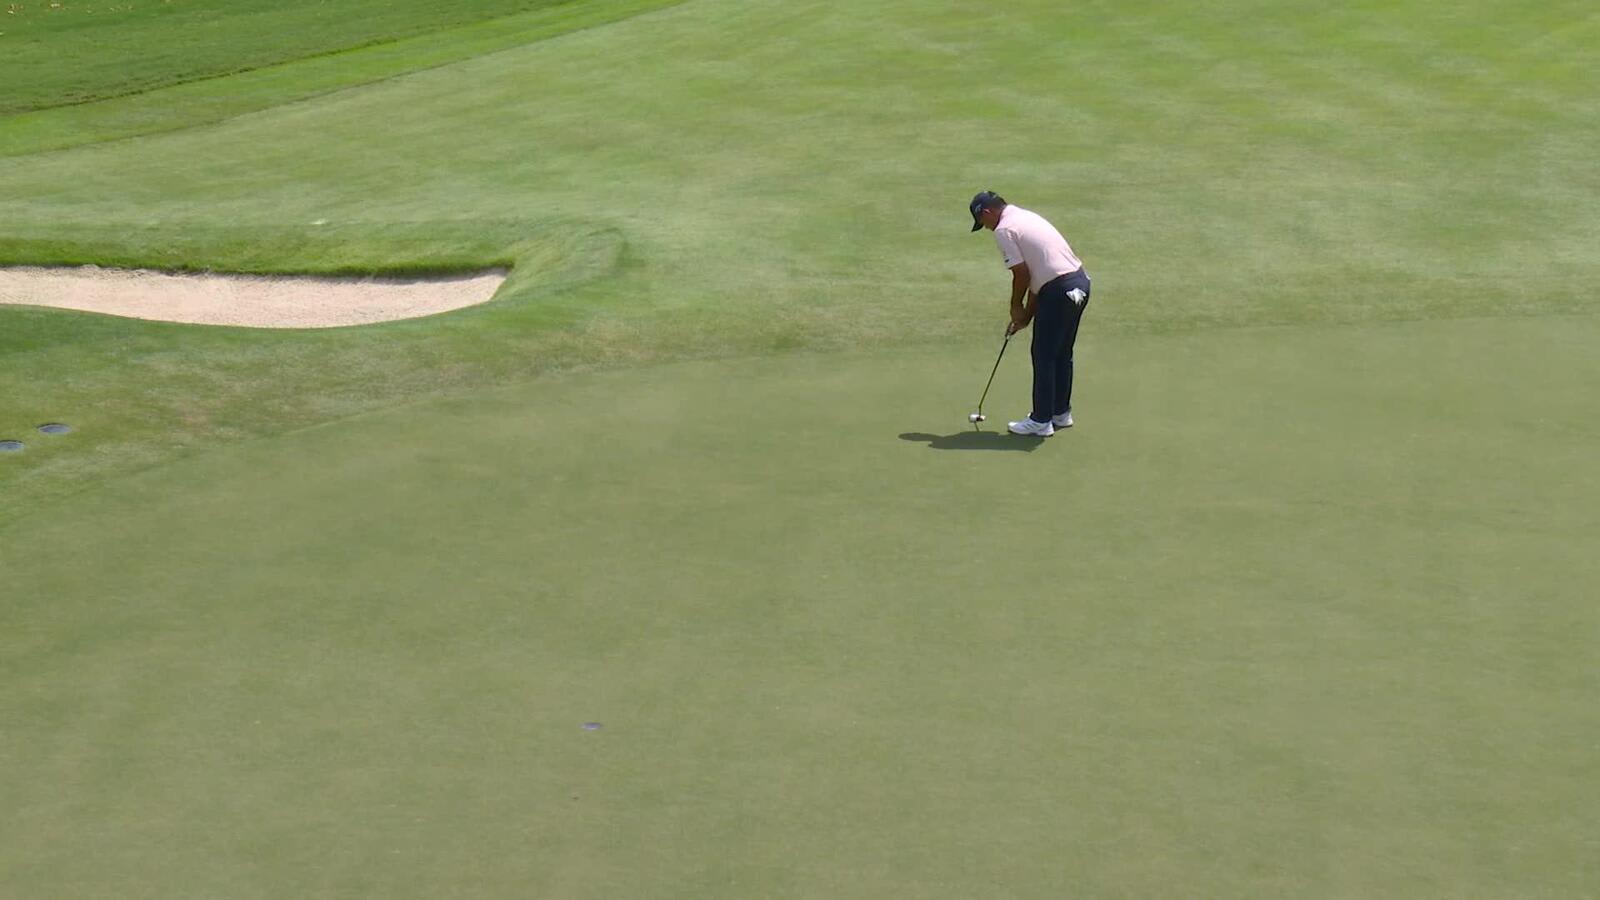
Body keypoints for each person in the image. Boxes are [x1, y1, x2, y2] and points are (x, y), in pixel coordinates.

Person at [969, 190, 1092, 436]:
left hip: (1058, 290)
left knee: (1043, 355)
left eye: (983, 223)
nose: (987, 228)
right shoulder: (1024, 217)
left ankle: (1041, 421)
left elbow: (1022, 274)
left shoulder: (1004, 229)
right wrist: (1026, 316)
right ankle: (1060, 413)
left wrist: (1016, 306)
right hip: (1079, 283)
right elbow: (1040, 277)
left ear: (987, 212)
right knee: (1061, 353)